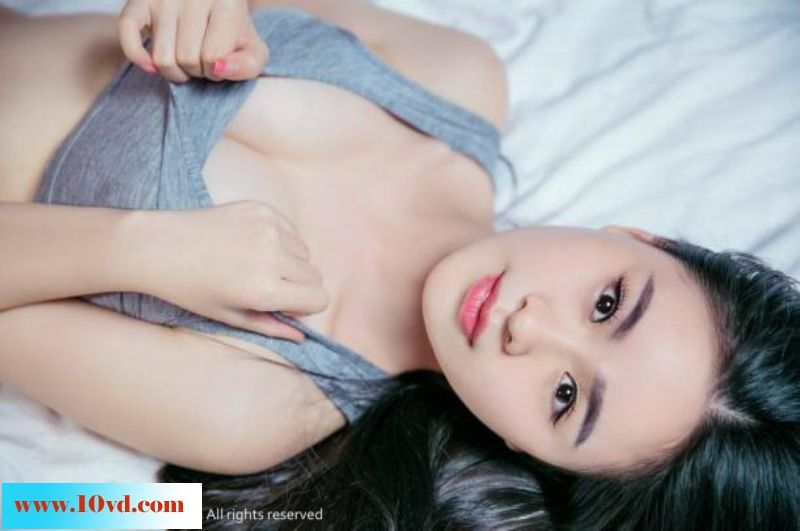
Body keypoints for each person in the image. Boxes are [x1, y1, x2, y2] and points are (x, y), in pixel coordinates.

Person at [0, 1, 797, 529]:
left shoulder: (261, 402)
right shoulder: (459, 82)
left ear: (530, 452)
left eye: (564, 397)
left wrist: (138, 247)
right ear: (639, 237)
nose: (529, 326)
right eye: (607, 303)